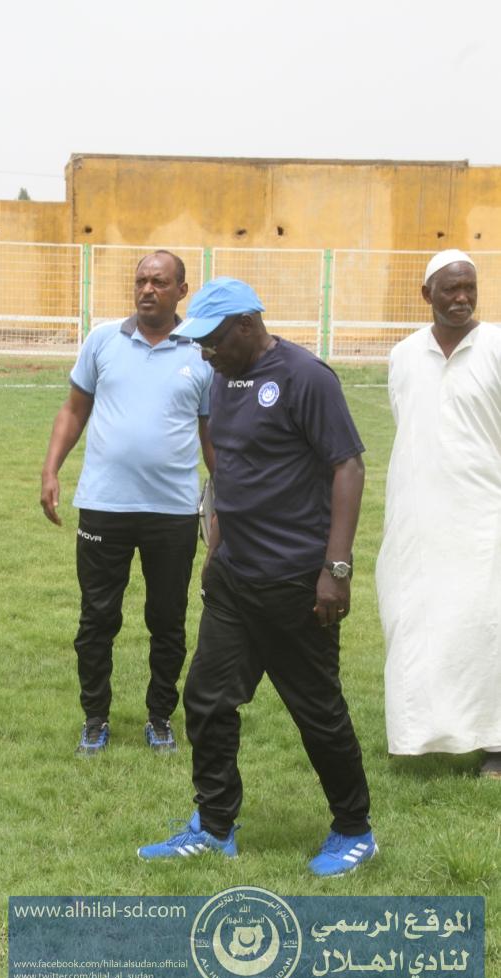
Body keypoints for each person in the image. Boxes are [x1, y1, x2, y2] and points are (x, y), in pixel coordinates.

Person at [138, 277, 377, 876]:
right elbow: (229, 468)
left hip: (296, 581)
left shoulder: (306, 377)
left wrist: (337, 569)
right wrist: (215, 544)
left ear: (246, 325)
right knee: (206, 700)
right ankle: (215, 825)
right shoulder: (224, 376)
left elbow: (348, 468)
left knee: (316, 710)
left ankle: (354, 829)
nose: (204, 353)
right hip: (234, 578)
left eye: (213, 340)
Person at [41, 251, 214, 756]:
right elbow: (74, 411)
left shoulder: (202, 352)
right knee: (97, 619)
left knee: (167, 620)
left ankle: (160, 717)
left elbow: (212, 434)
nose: (147, 290)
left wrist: (227, 497)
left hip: (173, 511)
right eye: (141, 281)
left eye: (159, 282)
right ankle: (95, 719)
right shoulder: (102, 341)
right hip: (104, 506)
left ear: (181, 290)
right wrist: (51, 469)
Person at [376, 249, 501, 778]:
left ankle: (495, 742)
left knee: (486, 624)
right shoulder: (404, 355)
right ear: (427, 294)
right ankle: (418, 734)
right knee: (416, 619)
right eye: (450, 289)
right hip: (418, 514)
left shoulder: (496, 346)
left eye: (469, 287)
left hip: (484, 513)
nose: (462, 298)